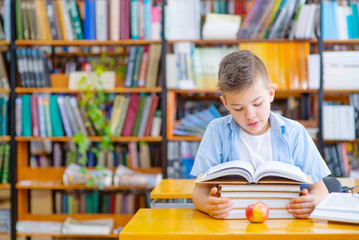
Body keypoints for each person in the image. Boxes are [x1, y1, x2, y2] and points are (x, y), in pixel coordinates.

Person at [190, 50, 331, 219]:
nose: (250, 115)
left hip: (285, 224)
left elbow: (321, 189)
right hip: (232, 225)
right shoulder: (217, 131)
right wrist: (207, 204)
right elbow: (199, 192)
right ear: (225, 103)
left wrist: (313, 201)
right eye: (238, 108)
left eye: (257, 103)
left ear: (271, 93)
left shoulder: (295, 133)